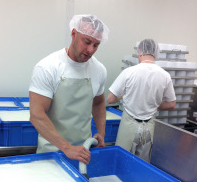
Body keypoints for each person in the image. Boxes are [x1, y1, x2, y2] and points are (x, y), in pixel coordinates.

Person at [29, 14, 109, 165]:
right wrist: (67, 148)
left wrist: (101, 132)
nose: (91, 50)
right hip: (51, 153)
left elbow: (98, 103)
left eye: (96, 45)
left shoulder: (99, 70)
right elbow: (36, 115)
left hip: (83, 152)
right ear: (73, 34)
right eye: (87, 42)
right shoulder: (48, 67)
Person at [107, 39, 176, 162]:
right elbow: (171, 104)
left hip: (128, 125)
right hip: (149, 128)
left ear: (139, 52)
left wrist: (123, 96)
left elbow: (110, 99)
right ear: (156, 53)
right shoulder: (165, 75)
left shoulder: (129, 72)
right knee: (142, 164)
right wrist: (154, 104)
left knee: (121, 161)